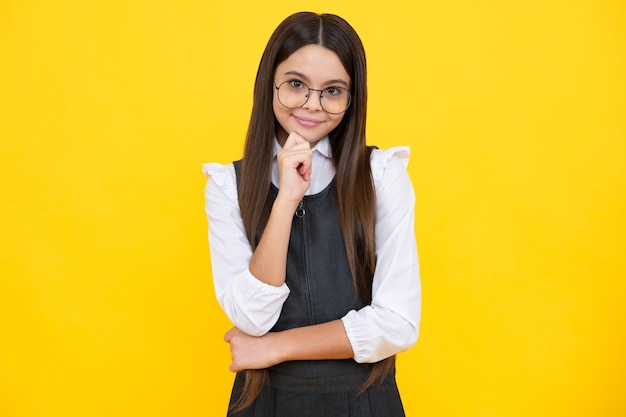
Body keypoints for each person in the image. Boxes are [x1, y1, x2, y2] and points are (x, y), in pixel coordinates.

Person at [203, 11, 421, 417]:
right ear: (269, 82)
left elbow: (397, 323)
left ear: (352, 98)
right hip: (264, 404)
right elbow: (252, 316)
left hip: (363, 404)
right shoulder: (227, 185)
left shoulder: (381, 176)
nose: (312, 105)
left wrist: (275, 347)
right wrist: (286, 199)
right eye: (296, 85)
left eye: (333, 90)